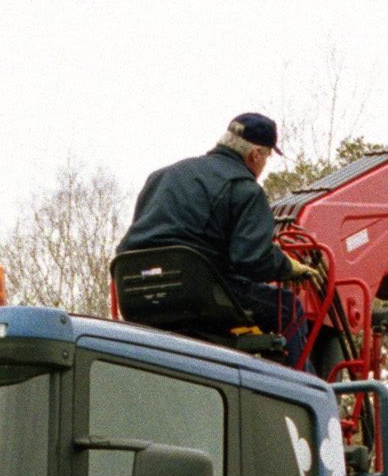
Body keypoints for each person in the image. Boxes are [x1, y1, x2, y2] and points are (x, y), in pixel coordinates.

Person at [116, 113, 326, 351]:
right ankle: (301, 386)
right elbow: (252, 259)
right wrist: (286, 266)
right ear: (255, 155)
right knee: (289, 308)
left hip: (134, 294)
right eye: (267, 157)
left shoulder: (161, 176)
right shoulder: (245, 189)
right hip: (196, 293)